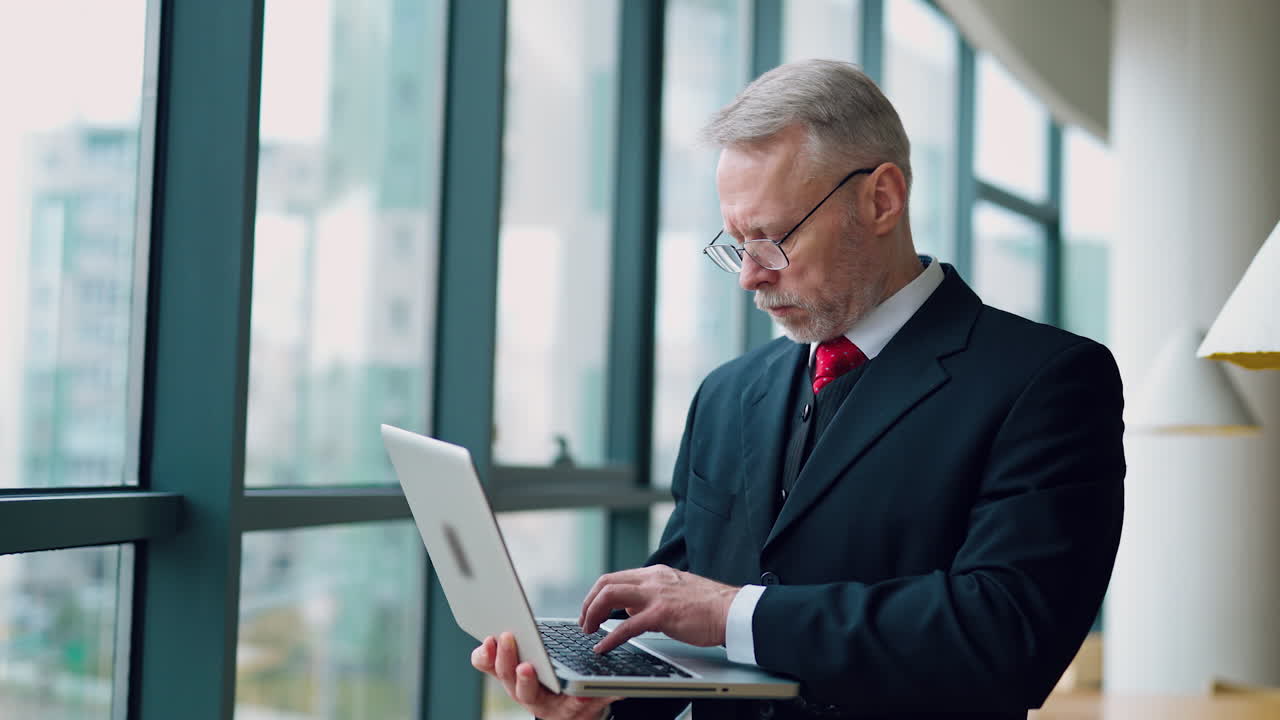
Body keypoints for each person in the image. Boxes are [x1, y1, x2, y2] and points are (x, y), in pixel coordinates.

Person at [472, 59, 1125, 720]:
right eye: (734, 243)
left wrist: (735, 612)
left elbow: (1004, 635)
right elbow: (672, 628)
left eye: (771, 239)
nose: (749, 277)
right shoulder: (726, 396)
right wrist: (601, 706)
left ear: (881, 200)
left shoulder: (1047, 381)